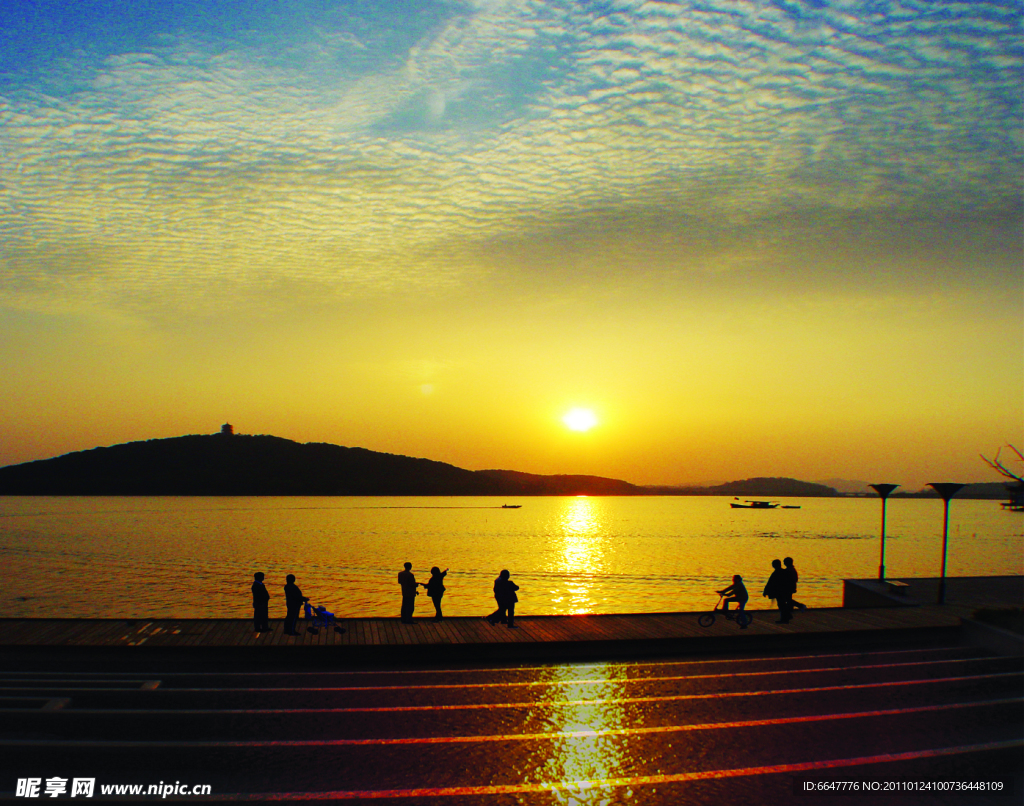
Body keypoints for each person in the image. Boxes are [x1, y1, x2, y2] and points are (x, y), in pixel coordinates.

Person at [763, 559, 792, 623]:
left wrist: (765, 591)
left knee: (781, 605)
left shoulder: (776, 573)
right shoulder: (784, 572)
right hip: (784, 592)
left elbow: (770, 583)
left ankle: (785, 619)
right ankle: (786, 616)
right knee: (782, 605)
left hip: (779, 592)